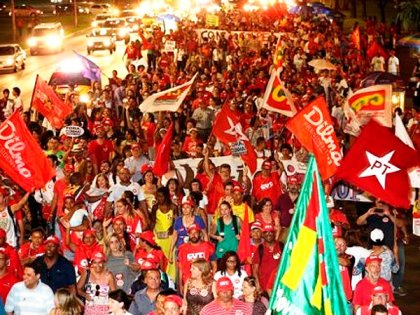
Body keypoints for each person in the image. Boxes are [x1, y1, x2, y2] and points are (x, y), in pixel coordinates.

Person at [177, 224, 216, 292]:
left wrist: (212, 281)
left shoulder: (208, 246)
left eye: (195, 233)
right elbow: (180, 269)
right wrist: (180, 285)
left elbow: (214, 266)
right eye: (191, 233)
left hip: (205, 283)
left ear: (200, 234)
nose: (193, 235)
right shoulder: (182, 249)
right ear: (188, 235)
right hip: (188, 283)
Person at [76, 251, 116, 315]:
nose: (97, 265)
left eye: (100, 262)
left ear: (104, 263)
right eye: (95, 262)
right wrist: (85, 295)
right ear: (92, 263)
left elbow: (115, 295)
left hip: (105, 311)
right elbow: (77, 289)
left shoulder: (109, 276)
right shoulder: (87, 273)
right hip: (88, 310)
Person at [252, 224, 282, 293]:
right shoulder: (260, 248)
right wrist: (258, 286)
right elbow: (255, 270)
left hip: (280, 285)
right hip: (264, 287)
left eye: (271, 232)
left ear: (274, 233)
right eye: (266, 232)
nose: (268, 234)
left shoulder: (281, 246)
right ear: (263, 235)